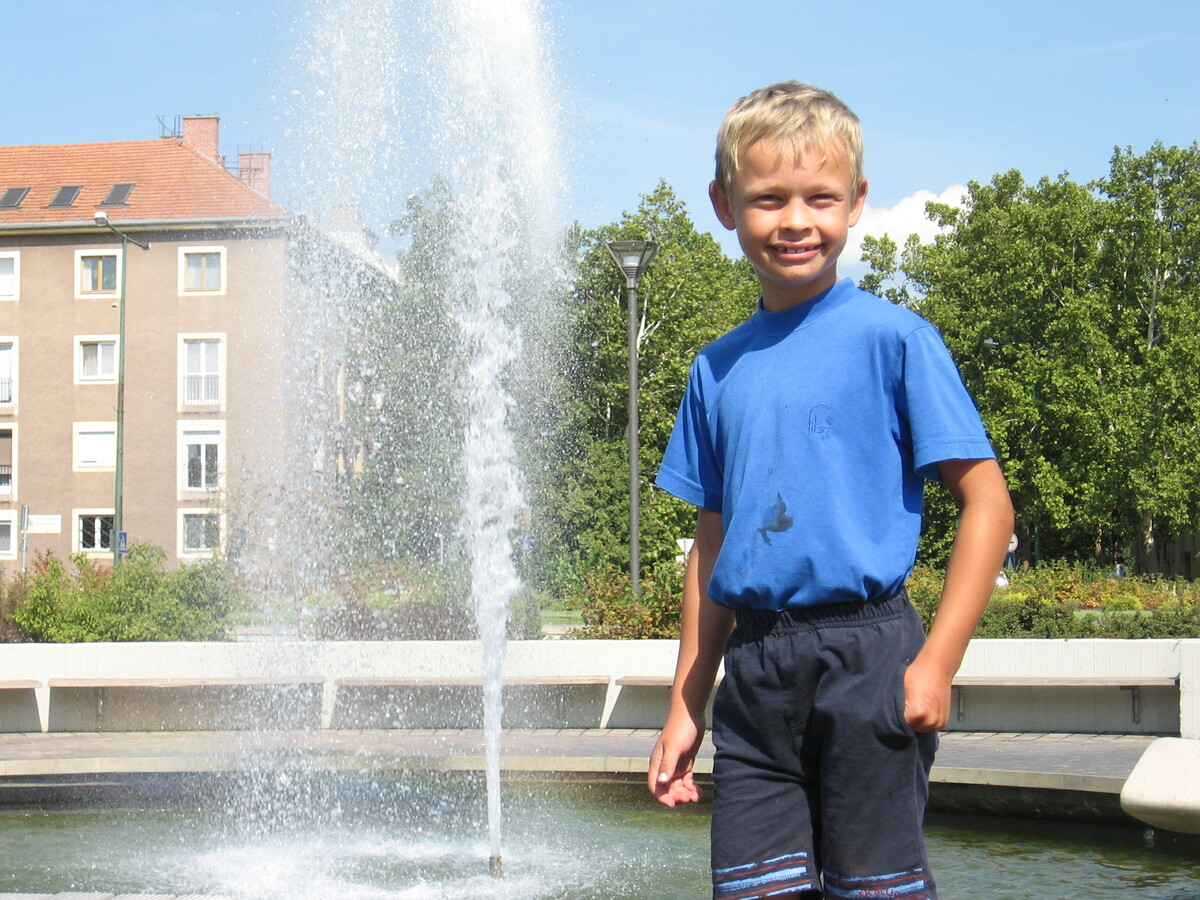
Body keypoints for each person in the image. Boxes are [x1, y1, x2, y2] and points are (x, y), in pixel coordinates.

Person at [648, 81, 1014, 900]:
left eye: (820, 197)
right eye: (767, 198)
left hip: (870, 659)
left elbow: (988, 504)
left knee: (872, 888)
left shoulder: (897, 341)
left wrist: (937, 662)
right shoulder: (716, 369)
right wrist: (686, 705)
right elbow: (713, 548)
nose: (795, 220)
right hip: (754, 675)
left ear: (856, 201)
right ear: (724, 205)